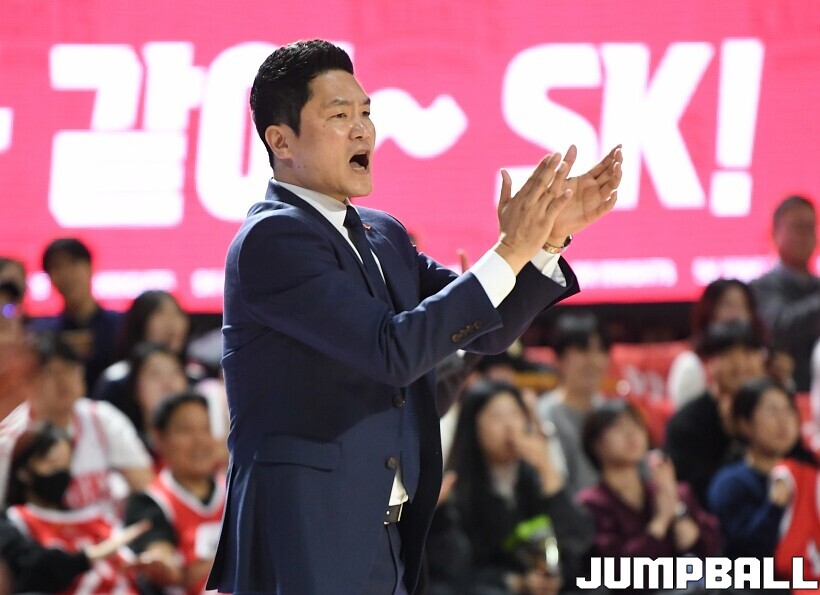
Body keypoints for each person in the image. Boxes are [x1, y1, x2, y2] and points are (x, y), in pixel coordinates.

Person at [208, 39, 622, 595]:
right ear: (281, 141)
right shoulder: (272, 239)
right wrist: (508, 250)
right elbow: (393, 350)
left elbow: (486, 329)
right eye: (339, 116)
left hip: (386, 535)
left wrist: (544, 241)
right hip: (305, 532)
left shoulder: (383, 233)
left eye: (366, 113)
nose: (363, 130)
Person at [426, 380, 593, 595]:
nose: (510, 426)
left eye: (515, 414)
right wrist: (515, 583)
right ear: (473, 425)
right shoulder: (455, 488)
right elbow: (455, 570)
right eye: (496, 417)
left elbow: (579, 542)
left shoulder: (536, 478)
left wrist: (547, 470)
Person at [0, 333, 153, 511]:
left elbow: (145, 485)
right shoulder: (9, 440)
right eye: (50, 372)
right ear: (26, 382)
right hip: (37, 528)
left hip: (106, 526)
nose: (63, 380)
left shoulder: (102, 418)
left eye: (70, 369)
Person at [577, 401, 719, 586]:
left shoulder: (670, 491)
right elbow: (618, 574)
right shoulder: (591, 504)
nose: (631, 434)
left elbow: (711, 549)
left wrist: (677, 510)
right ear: (595, 444)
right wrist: (660, 521)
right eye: (618, 427)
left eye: (636, 425)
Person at [4, 422, 145, 594]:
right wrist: (90, 555)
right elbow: (32, 571)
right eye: (52, 463)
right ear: (23, 472)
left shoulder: (99, 518)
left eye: (66, 466)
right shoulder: (16, 521)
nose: (61, 473)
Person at [125, 392, 225, 594]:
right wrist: (162, 564)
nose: (200, 441)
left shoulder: (237, 491)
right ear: (159, 438)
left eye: (206, 428)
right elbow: (163, 559)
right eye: (186, 431)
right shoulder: (149, 502)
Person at [707, 379, 812, 565]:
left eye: (788, 410)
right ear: (745, 424)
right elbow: (748, 549)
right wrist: (775, 505)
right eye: (771, 411)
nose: (783, 420)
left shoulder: (809, 471)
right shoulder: (730, 483)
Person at [664, 320, 765, 508]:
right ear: (708, 363)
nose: (740, 364)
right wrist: (732, 437)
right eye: (728, 354)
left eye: (748, 353)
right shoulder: (686, 423)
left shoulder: (774, 411)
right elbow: (695, 491)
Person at [28, 238, 123, 390]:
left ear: (90, 267)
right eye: (57, 267)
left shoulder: (121, 326)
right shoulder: (41, 334)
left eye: (73, 263)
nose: (67, 274)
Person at [751, 195, 820, 392]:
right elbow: (779, 326)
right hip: (782, 394)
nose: (805, 236)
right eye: (797, 227)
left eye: (810, 228)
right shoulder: (761, 288)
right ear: (775, 233)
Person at [538, 312, 611, 496]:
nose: (594, 361)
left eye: (601, 351)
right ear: (559, 358)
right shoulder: (543, 415)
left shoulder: (611, 413)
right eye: (583, 351)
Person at [666, 279, 765, 408]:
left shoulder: (762, 356)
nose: (737, 314)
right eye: (729, 305)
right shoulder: (691, 363)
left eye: (743, 306)